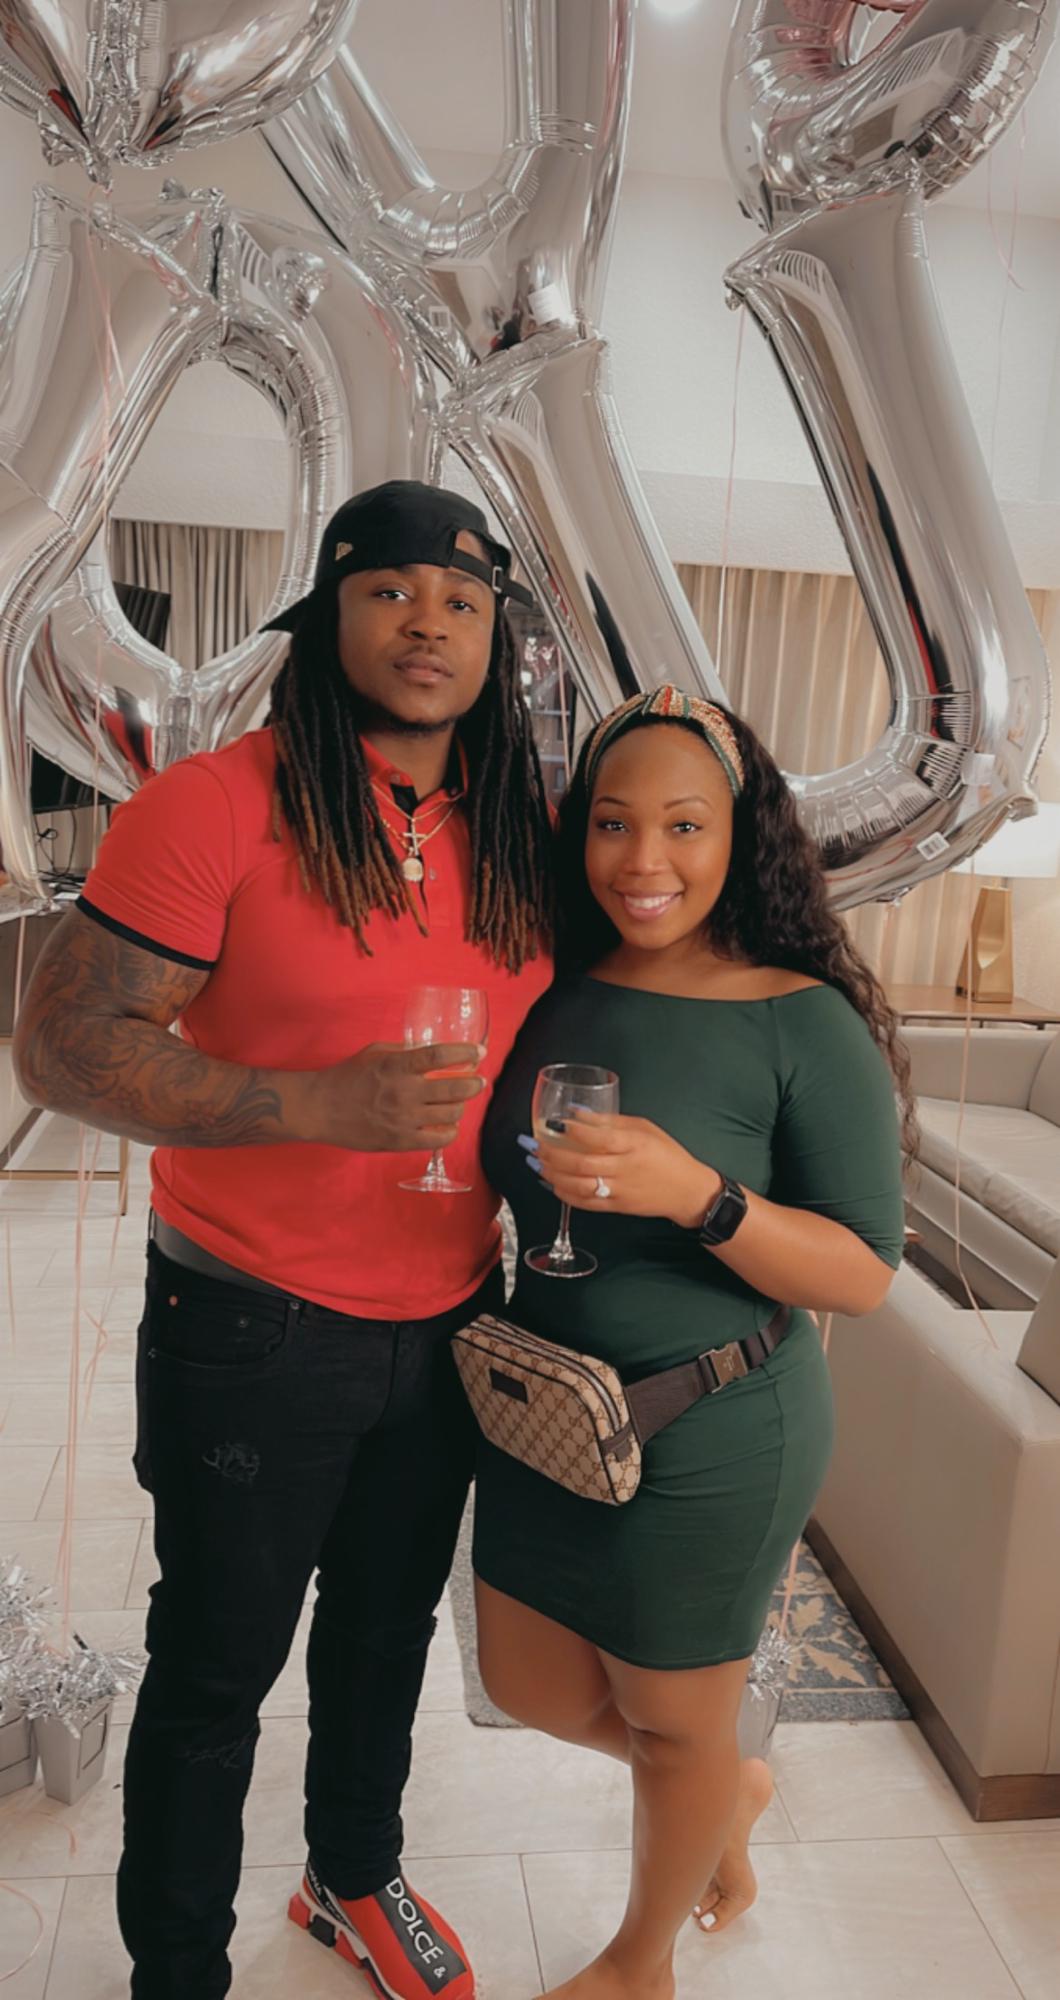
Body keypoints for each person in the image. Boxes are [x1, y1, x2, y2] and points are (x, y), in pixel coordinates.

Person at [12, 481, 555, 2000]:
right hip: (252, 1326)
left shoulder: (521, 826)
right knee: (215, 1667)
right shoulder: (215, 804)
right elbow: (59, 1048)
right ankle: (178, 1972)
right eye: (389, 591)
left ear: (495, 638)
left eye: (461, 601)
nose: (428, 622)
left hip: (453, 1313)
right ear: (327, 619)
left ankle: (352, 1880)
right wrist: (311, 1100)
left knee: (385, 1641)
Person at [476, 684, 911, 2000]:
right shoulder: (551, 983)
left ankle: (638, 1965)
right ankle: (729, 1784)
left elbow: (864, 1273)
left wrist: (699, 1197)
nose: (643, 860)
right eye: (614, 823)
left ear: (741, 835)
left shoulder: (802, 1019)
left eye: (684, 825)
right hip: (553, 1405)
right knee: (528, 1682)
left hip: (719, 1422)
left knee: (673, 1718)